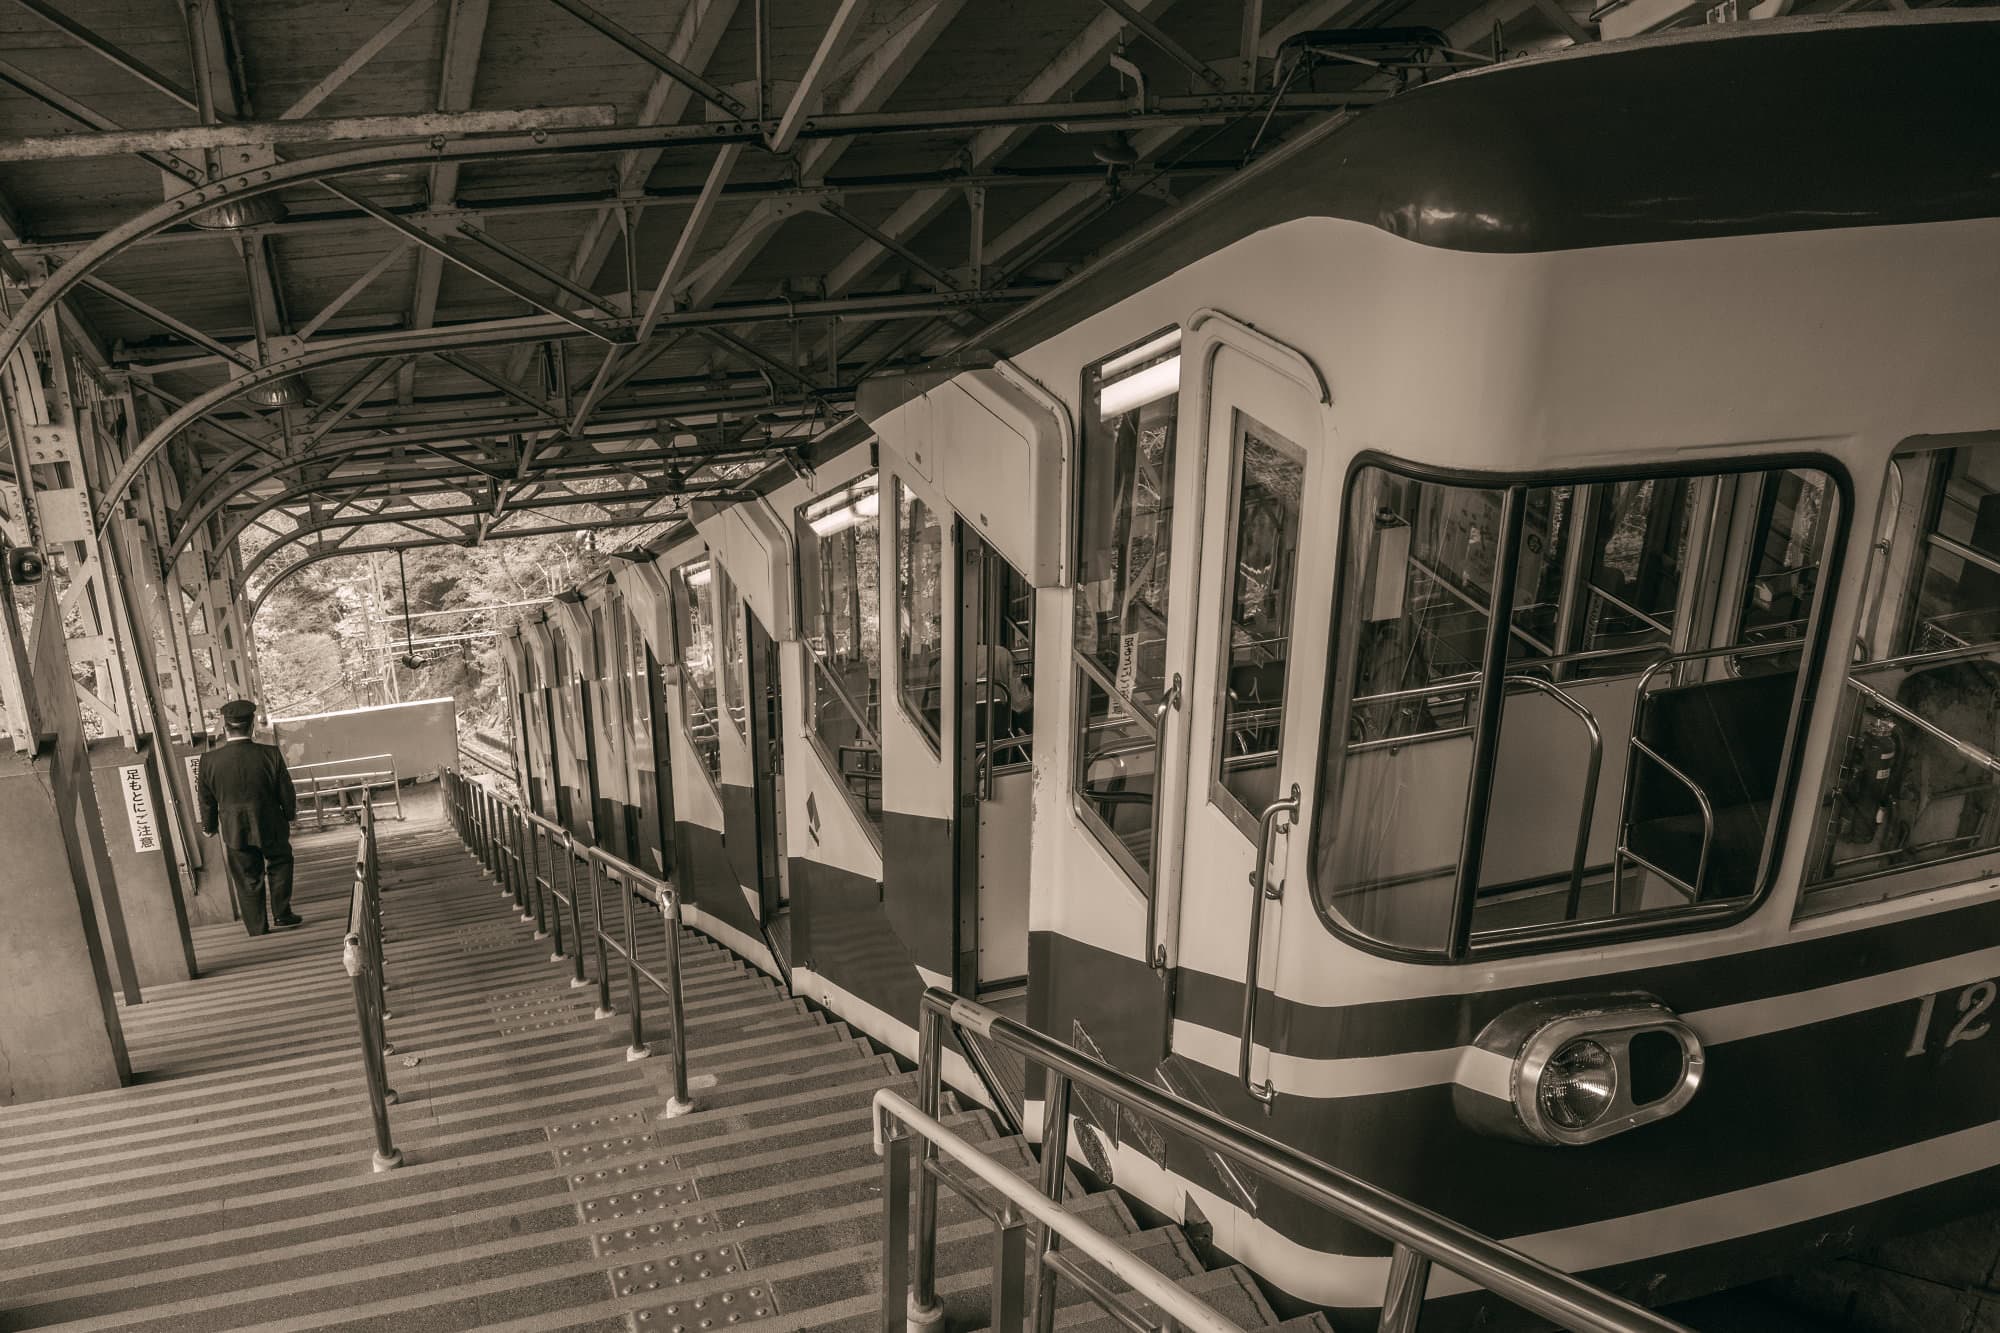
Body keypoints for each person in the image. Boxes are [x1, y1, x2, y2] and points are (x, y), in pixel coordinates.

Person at [197, 699, 301, 935]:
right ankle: (282, 914)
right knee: (281, 863)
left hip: (234, 828)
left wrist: (209, 826)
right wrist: (290, 813)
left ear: (225, 728)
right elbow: (286, 789)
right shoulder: (270, 754)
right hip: (271, 823)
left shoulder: (209, 761)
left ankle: (256, 927)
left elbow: (206, 798)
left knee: (246, 875)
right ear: (251, 725)